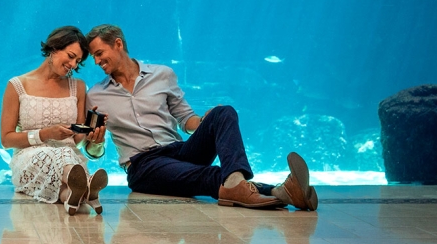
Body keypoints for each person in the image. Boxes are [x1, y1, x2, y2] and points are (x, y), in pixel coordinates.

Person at [84, 24, 317, 210]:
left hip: (178, 151)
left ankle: (238, 182)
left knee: (223, 112)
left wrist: (205, 122)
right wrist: (95, 144)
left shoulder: (162, 75)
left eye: (99, 53)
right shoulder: (96, 94)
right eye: (93, 57)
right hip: (143, 165)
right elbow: (92, 150)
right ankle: (281, 191)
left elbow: (186, 120)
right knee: (208, 175)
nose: (96, 61)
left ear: (118, 44)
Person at [0, 26, 110, 215]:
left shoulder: (78, 87)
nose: (73, 64)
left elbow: (76, 141)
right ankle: (86, 184)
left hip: (70, 155)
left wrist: (89, 132)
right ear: (54, 48)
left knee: (66, 176)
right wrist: (45, 134)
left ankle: (74, 195)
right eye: (70, 56)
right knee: (59, 155)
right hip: (29, 160)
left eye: (77, 61)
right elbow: (7, 140)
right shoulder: (17, 85)